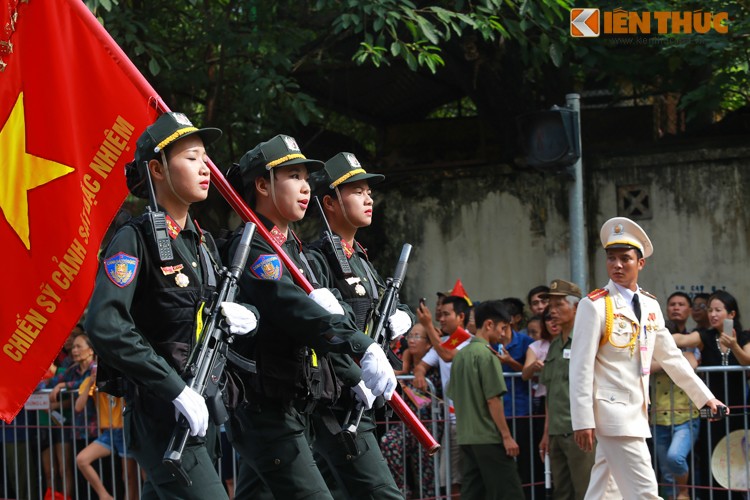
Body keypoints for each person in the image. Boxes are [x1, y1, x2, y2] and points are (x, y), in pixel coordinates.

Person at [86, 112, 257, 499]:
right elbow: (106, 323)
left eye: (204, 158)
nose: (205, 167)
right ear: (156, 170)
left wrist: (248, 317)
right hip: (162, 414)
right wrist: (174, 388)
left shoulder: (203, 245)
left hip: (203, 413)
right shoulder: (135, 239)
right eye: (191, 157)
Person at [223, 135, 397, 499]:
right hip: (265, 403)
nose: (305, 187)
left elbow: (331, 311)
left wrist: (353, 374)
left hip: (294, 399)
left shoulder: (293, 251)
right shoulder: (256, 246)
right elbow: (293, 308)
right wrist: (362, 347)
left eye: (306, 177)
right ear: (261, 184)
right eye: (293, 176)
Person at [569, 217, 726, 499]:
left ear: (640, 263)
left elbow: (672, 358)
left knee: (605, 492)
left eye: (625, 259)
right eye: (611, 258)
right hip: (614, 415)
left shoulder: (650, 305)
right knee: (645, 492)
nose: (617, 265)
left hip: (634, 413)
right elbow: (580, 367)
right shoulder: (594, 306)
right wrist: (582, 420)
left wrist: (705, 398)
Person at [307, 151, 410, 498]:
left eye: (368, 191)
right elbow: (322, 332)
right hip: (335, 398)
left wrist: (403, 317)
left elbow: (391, 304)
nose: (368, 198)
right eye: (356, 191)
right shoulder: (317, 260)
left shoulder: (362, 262)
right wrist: (353, 377)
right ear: (329, 203)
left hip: (361, 400)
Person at [672, 289, 750, 499]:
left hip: (739, 411)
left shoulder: (744, 336)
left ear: (731, 314)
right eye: (710, 310)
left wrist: (734, 346)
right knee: (711, 453)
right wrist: (655, 337)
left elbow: (747, 360)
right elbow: (681, 339)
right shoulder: (705, 335)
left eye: (718, 310)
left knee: (739, 455)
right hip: (712, 409)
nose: (713, 314)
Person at [447, 300, 524, 500]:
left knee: (473, 493)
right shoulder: (488, 356)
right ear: (489, 324)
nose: (504, 334)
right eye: (503, 328)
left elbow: (454, 395)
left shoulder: (461, 356)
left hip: (466, 437)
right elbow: (493, 400)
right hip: (488, 437)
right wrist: (506, 437)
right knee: (510, 492)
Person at [537, 280, 596, 500]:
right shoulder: (554, 345)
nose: (552, 311)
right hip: (556, 431)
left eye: (559, 304)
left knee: (586, 490)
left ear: (576, 307)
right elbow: (551, 393)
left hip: (580, 430)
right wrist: (546, 433)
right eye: (550, 305)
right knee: (562, 493)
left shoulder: (587, 341)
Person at [413, 295, 472, 495]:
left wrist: (427, 325)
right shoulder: (444, 341)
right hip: (451, 422)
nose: (441, 319)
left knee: (460, 478)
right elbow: (422, 364)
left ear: (461, 316)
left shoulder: (467, 340)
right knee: (451, 478)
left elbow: (446, 354)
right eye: (441, 315)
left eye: (447, 314)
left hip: (466, 420)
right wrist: (420, 374)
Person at [381, 323, 443, 498]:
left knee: (426, 474)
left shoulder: (433, 370)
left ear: (429, 344)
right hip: (408, 426)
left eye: (418, 337)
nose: (412, 341)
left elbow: (423, 402)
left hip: (428, 427)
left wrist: (404, 385)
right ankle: (402, 491)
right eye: (410, 336)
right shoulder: (404, 363)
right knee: (389, 443)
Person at [650, 319, 700, 500]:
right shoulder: (650, 358)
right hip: (658, 421)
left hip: (685, 419)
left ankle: (684, 491)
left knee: (675, 458)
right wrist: (668, 363)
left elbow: (692, 363)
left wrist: (666, 361)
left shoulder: (686, 355)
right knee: (666, 471)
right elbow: (645, 367)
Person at [44, 332, 98, 497]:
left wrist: (63, 385)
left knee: (100, 472)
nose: (74, 350)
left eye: (78, 346)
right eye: (73, 347)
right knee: (81, 476)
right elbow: (51, 382)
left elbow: (86, 383)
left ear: (90, 351)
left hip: (95, 429)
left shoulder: (95, 367)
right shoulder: (73, 368)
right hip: (77, 430)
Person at [75, 362, 140, 500]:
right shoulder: (91, 380)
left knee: (128, 476)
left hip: (124, 430)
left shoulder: (121, 376)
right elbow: (78, 407)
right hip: (108, 433)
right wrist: (90, 383)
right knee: (82, 460)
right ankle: (104, 495)